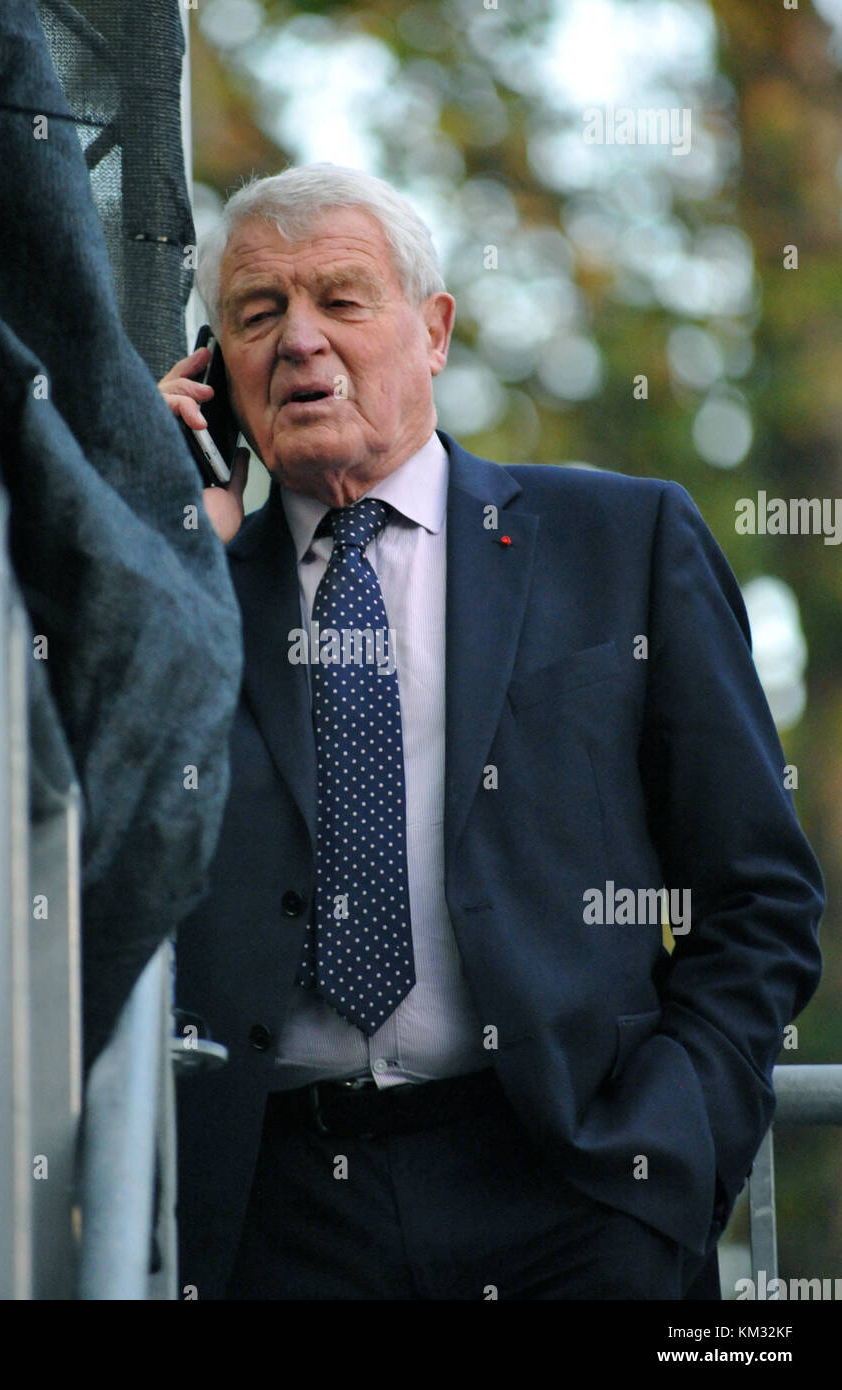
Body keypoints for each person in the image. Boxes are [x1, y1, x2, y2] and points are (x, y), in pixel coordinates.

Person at [159, 164, 824, 1300]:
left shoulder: (622, 542)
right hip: (279, 1219)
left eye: (342, 300)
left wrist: (676, 1148)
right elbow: (111, 839)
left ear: (433, 333)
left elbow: (756, 889)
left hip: (573, 1193)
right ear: (216, 370)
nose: (301, 341)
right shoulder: (192, 587)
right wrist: (164, 529)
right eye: (258, 314)